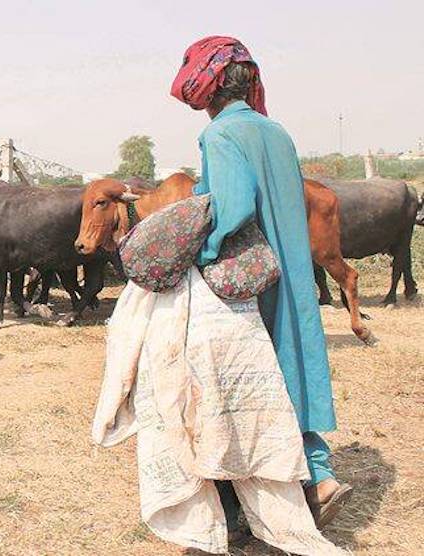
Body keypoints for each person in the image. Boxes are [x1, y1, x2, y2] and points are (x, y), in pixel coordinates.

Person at [170, 36, 353, 538]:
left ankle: (236, 506)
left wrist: (203, 256)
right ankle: (318, 474)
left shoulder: (221, 136)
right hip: (293, 271)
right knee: (292, 362)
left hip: (252, 277)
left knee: (241, 382)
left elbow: (232, 207)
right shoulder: (276, 132)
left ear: (205, 91)